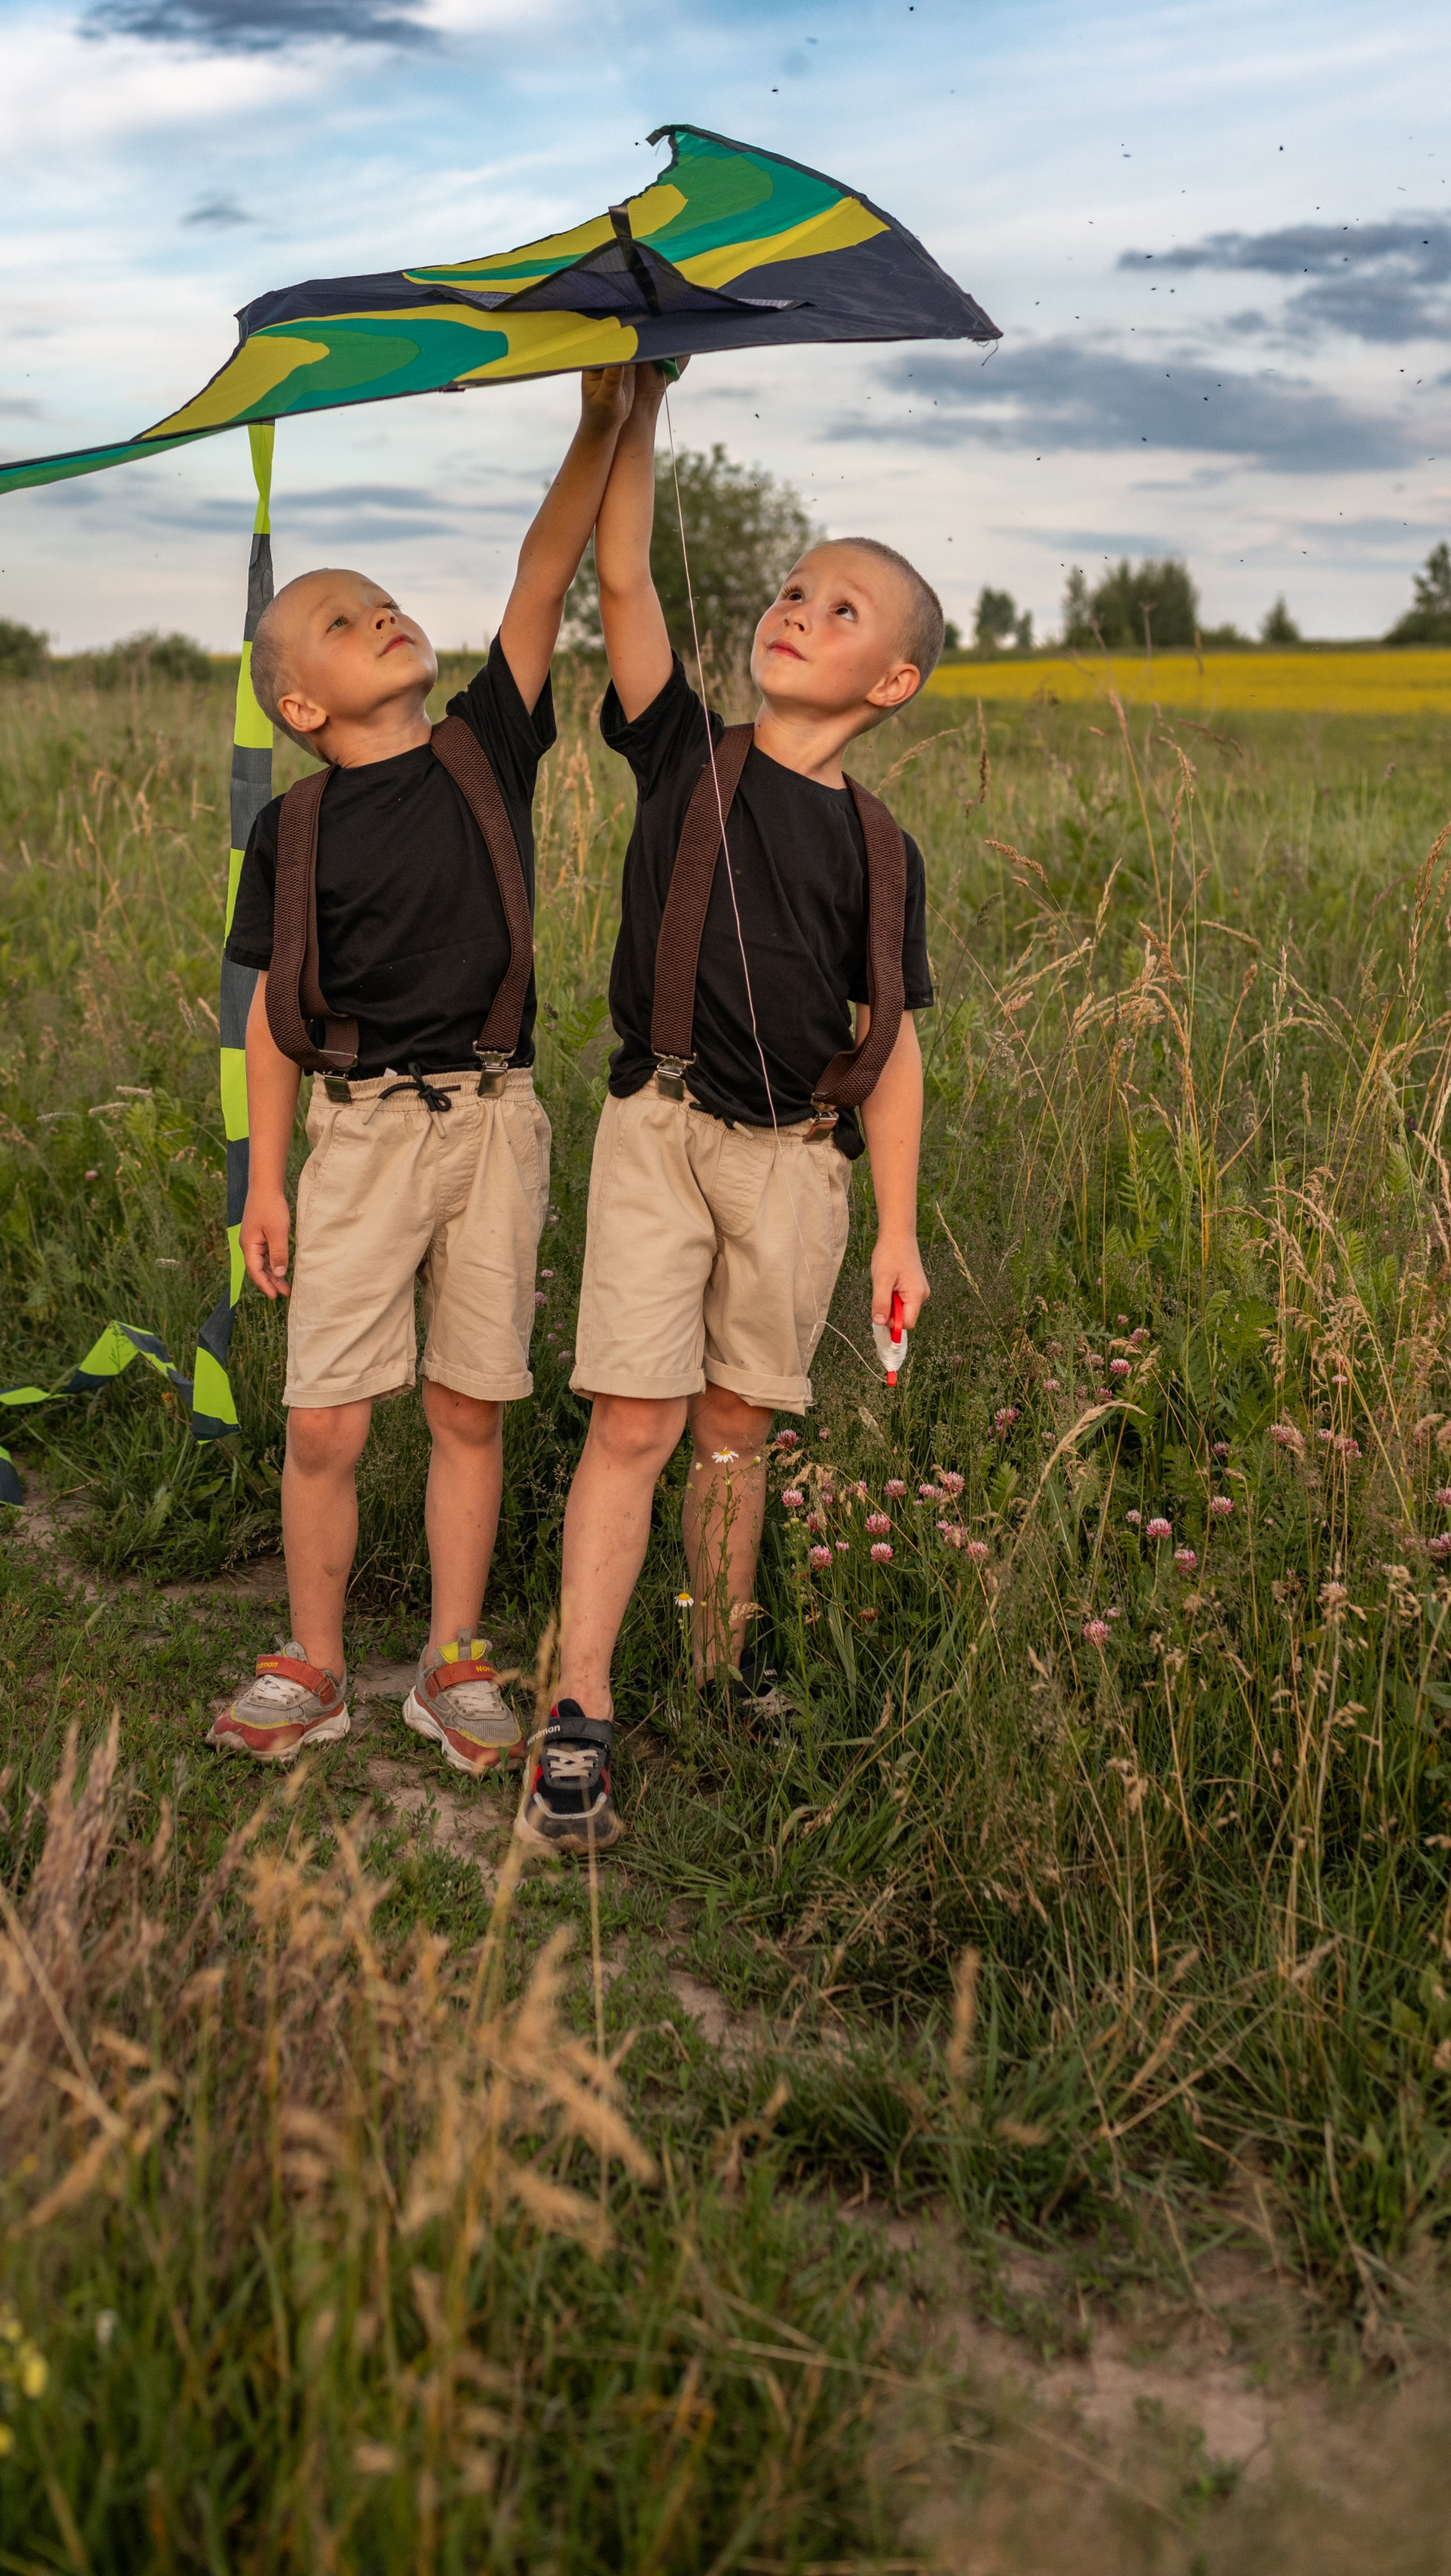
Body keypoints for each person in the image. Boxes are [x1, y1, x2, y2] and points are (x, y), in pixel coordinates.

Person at [519, 361, 938, 1850]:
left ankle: (718, 1650)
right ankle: (578, 1711)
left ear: (889, 684)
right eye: (789, 588)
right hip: (663, 1130)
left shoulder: (882, 850)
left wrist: (898, 1228)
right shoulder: (686, 752)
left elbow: (889, 1045)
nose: (794, 610)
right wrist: (632, 404)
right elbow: (623, 572)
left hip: (798, 1175)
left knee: (734, 1431)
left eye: (838, 610)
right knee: (633, 1418)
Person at [208, 366, 640, 1773]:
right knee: (327, 1418)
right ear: (299, 700)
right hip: (360, 1141)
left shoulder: (482, 751)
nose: (379, 614)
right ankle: (315, 1661)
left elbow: (543, 571)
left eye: (382, 599)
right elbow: (273, 1020)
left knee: (470, 1403)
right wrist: (265, 1186)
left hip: (496, 1127)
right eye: (342, 618)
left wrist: (602, 421)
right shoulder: (297, 833)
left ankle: (452, 1661)